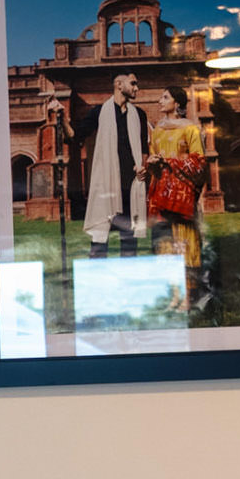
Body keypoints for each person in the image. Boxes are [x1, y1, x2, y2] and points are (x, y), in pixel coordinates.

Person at [144, 87, 209, 309]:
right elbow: (154, 157)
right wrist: (152, 163)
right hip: (161, 195)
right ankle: (174, 295)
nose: (159, 100)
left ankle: (189, 297)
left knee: (185, 244)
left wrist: (171, 162)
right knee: (165, 247)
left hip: (182, 196)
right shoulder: (158, 131)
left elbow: (199, 161)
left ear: (177, 103)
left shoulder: (190, 128)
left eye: (165, 97)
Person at [76, 73, 150, 256]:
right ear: (118, 84)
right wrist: (59, 116)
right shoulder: (99, 112)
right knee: (99, 241)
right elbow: (75, 136)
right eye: (133, 83)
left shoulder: (139, 114)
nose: (136, 88)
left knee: (129, 241)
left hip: (131, 185)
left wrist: (143, 167)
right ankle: (98, 279)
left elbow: (143, 148)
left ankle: (127, 278)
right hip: (106, 184)